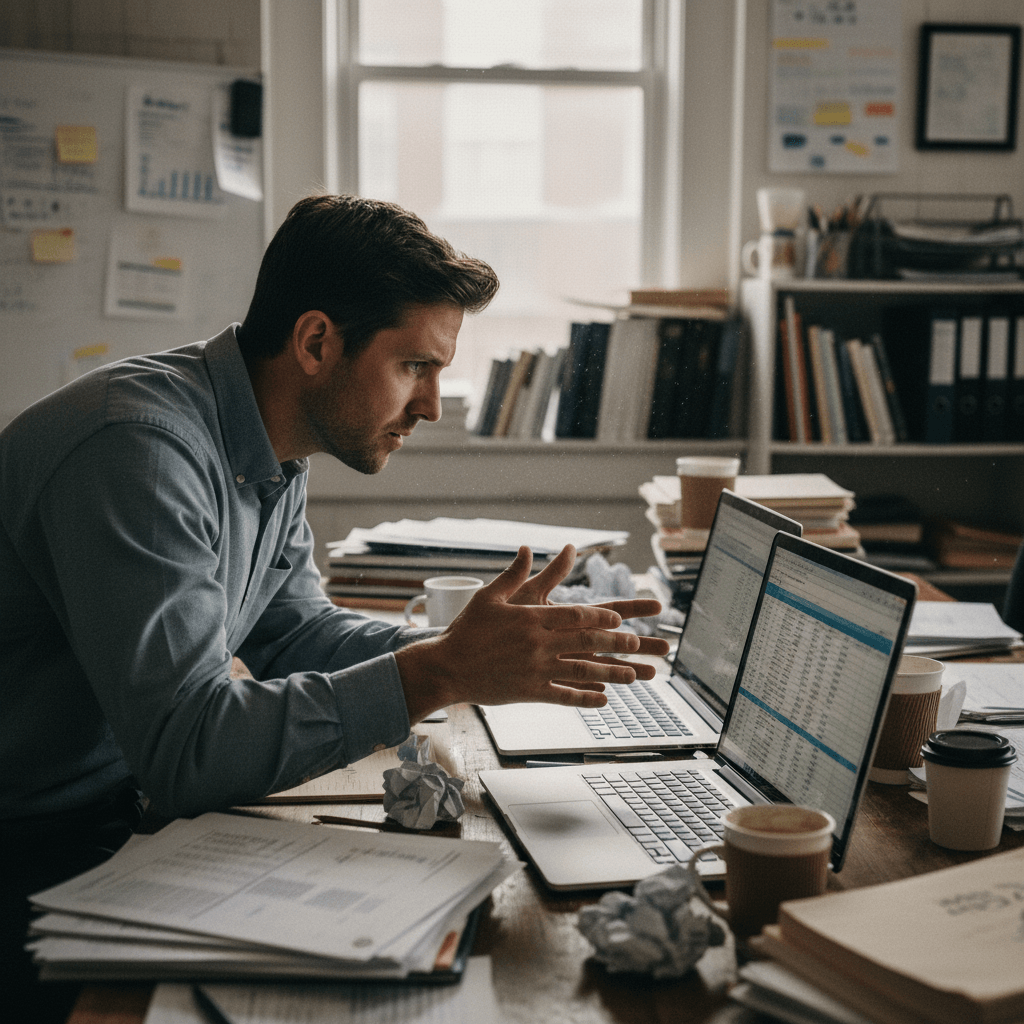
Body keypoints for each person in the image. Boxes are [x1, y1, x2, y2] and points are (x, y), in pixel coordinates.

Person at [0, 194, 668, 1020]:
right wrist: (445, 669)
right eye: (415, 367)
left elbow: (293, 630)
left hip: (104, 809)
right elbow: (186, 747)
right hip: (28, 842)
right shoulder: (138, 451)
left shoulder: (269, 441)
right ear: (317, 342)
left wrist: (463, 646)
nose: (428, 406)